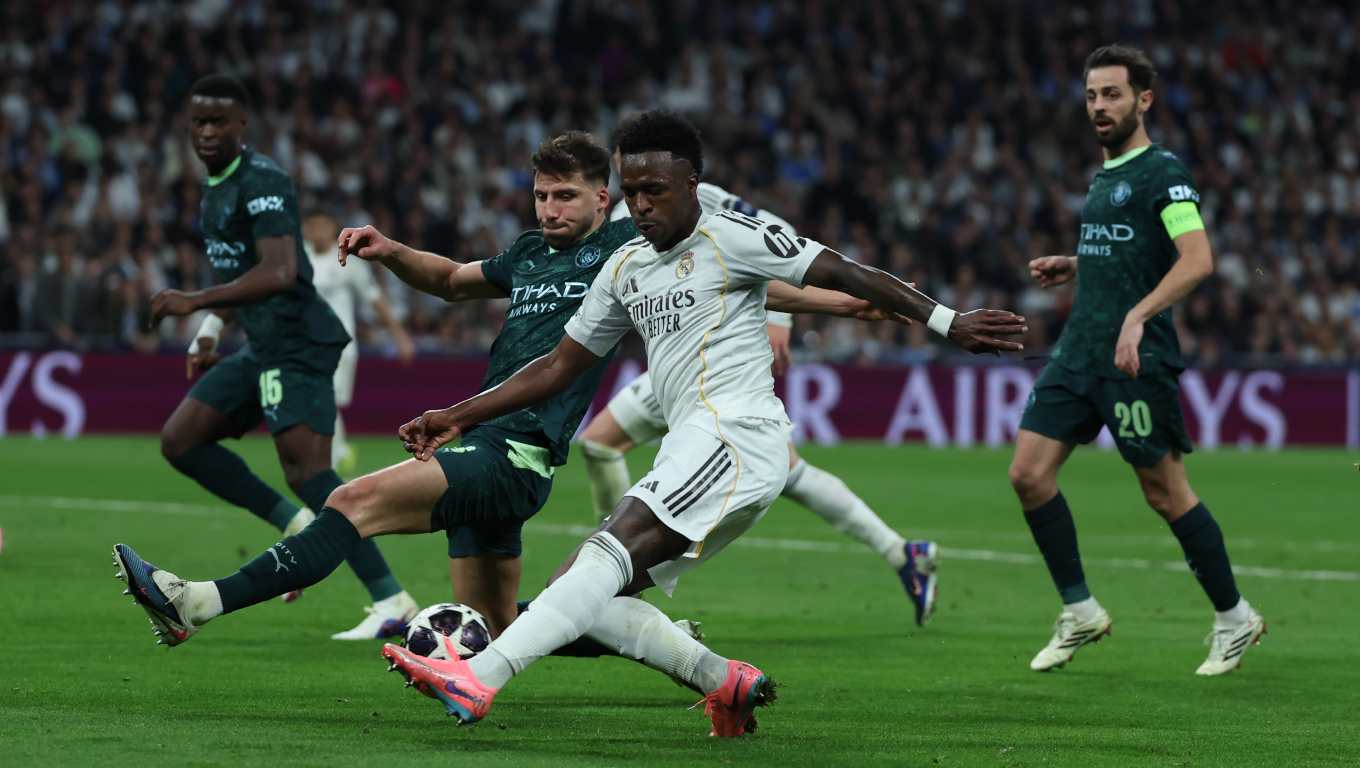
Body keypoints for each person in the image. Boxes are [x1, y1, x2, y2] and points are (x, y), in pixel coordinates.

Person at [379, 110, 1025, 734]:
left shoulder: (732, 237)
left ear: (693, 184)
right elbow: (556, 368)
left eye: (655, 191)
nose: (642, 206)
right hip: (691, 446)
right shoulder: (625, 267)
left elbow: (845, 271)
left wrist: (948, 321)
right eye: (631, 193)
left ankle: (477, 676)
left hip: (737, 438)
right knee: (583, 590)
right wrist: (456, 415)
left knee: (604, 557)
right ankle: (724, 681)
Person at [112, 130, 878, 652]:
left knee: (351, 503)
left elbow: (739, 275)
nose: (549, 211)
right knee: (508, 627)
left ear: (603, 197)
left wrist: (839, 301)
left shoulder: (632, 244)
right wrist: (389, 251)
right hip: (496, 447)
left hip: (516, 446)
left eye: (566, 197)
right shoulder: (528, 253)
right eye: (542, 196)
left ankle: (197, 604)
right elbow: (450, 281)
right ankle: (682, 651)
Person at [579, 167, 938, 626]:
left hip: (712, 356)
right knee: (600, 443)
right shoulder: (615, 214)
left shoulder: (698, 197)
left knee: (779, 469)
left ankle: (612, 574)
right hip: (671, 358)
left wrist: (781, 321)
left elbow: (778, 236)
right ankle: (614, 564)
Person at [134, 74, 417, 640]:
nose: (208, 131)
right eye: (199, 122)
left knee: (312, 473)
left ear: (242, 125)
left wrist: (196, 302)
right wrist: (213, 327)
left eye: (219, 121)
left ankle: (394, 600)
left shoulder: (263, 180)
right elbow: (242, 277)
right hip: (261, 344)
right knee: (181, 440)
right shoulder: (215, 190)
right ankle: (294, 522)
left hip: (298, 342)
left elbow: (280, 272)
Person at [1011, 45, 1264, 675]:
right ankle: (1079, 611)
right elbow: (1128, 249)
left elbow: (1197, 259)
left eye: (1113, 94)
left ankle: (1234, 617)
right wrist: (1078, 265)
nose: (1099, 106)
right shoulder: (1106, 174)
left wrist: (1137, 315)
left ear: (1143, 100)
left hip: (1133, 360)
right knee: (1028, 475)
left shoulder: (1164, 175)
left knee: (1164, 491)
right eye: (1093, 95)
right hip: (1078, 353)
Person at [301, 211, 415, 473]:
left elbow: (374, 299)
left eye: (322, 224)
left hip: (340, 344)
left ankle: (333, 455)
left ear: (332, 228)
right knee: (318, 398)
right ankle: (336, 452)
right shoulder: (298, 256)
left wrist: (400, 336)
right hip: (305, 343)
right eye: (311, 225)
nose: (316, 230)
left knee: (325, 398)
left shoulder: (348, 261)